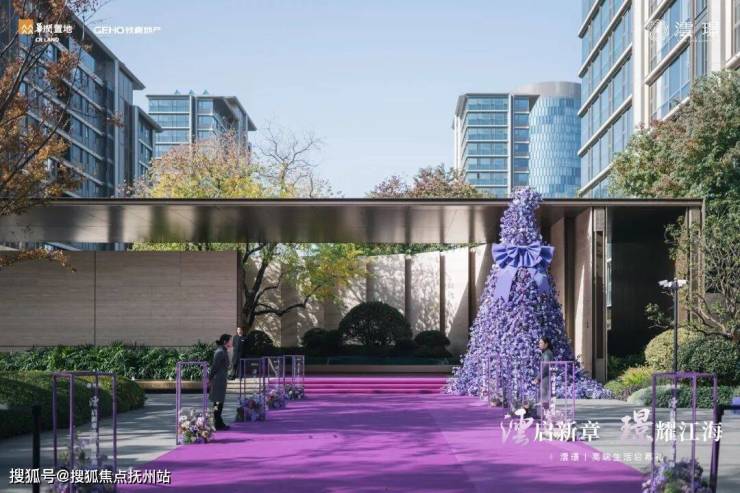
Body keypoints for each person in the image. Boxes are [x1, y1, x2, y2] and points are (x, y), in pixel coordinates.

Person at [210, 333, 231, 431]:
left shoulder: (223, 351)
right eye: (230, 341)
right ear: (225, 342)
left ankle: (218, 422)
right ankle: (217, 423)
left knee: (219, 402)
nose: (231, 342)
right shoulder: (220, 352)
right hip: (218, 380)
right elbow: (214, 366)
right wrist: (209, 378)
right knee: (217, 402)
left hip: (222, 379)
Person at [534, 336, 554, 416]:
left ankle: (544, 416)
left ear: (546, 344)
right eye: (539, 343)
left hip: (546, 378)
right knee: (544, 397)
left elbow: (545, 366)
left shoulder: (547, 353)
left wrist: (538, 378)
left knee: (544, 398)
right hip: (544, 378)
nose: (539, 344)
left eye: (541, 343)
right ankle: (543, 416)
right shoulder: (545, 353)